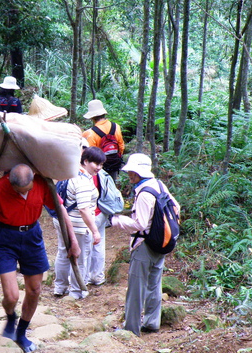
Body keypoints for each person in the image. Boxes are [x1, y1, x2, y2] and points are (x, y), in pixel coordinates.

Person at [0, 164, 80, 353]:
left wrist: (73, 240)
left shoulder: (42, 184)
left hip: (32, 237)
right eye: (20, 191)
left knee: (34, 290)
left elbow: (60, 209)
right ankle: (10, 316)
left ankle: (21, 333)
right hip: (6, 239)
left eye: (28, 189)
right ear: (10, 182)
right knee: (11, 295)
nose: (25, 193)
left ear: (34, 177)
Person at [110, 153, 180, 336]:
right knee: (154, 284)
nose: (129, 175)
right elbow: (176, 207)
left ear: (139, 173)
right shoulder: (158, 184)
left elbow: (139, 224)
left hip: (144, 245)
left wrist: (116, 220)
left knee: (136, 288)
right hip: (162, 242)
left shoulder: (143, 194)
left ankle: (131, 329)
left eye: (132, 172)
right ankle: (152, 322)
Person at [53, 147, 105, 300]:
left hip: (63, 221)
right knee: (80, 258)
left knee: (63, 252)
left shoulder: (70, 172)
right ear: (86, 161)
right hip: (78, 225)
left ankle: (60, 287)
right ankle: (76, 291)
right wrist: (95, 230)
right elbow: (83, 209)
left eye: (101, 164)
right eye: (96, 163)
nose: (99, 168)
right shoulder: (83, 181)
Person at [82, 99, 125, 182]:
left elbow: (89, 155)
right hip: (114, 164)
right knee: (112, 186)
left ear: (92, 117)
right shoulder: (116, 127)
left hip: (98, 168)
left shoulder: (89, 133)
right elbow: (121, 147)